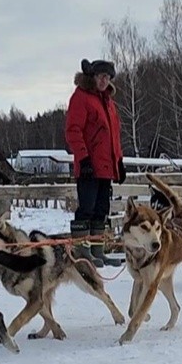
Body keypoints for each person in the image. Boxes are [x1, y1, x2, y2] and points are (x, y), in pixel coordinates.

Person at [65, 58, 126, 267]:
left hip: (106, 167)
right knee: (87, 208)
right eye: (101, 76)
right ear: (93, 76)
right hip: (90, 165)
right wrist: (83, 158)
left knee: (102, 209)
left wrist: (119, 162)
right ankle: (82, 252)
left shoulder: (109, 103)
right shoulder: (81, 97)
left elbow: (113, 137)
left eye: (107, 77)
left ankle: (98, 250)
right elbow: (73, 130)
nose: (104, 80)